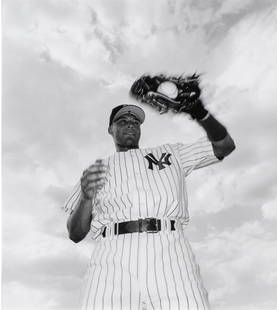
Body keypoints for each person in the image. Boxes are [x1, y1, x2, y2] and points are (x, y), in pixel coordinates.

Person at [65, 102, 235, 310]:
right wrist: (85, 196)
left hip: (170, 250)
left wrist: (200, 112)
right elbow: (75, 233)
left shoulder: (171, 153)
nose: (130, 124)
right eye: (122, 121)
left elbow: (224, 146)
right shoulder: (96, 170)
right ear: (110, 129)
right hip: (112, 255)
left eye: (135, 122)